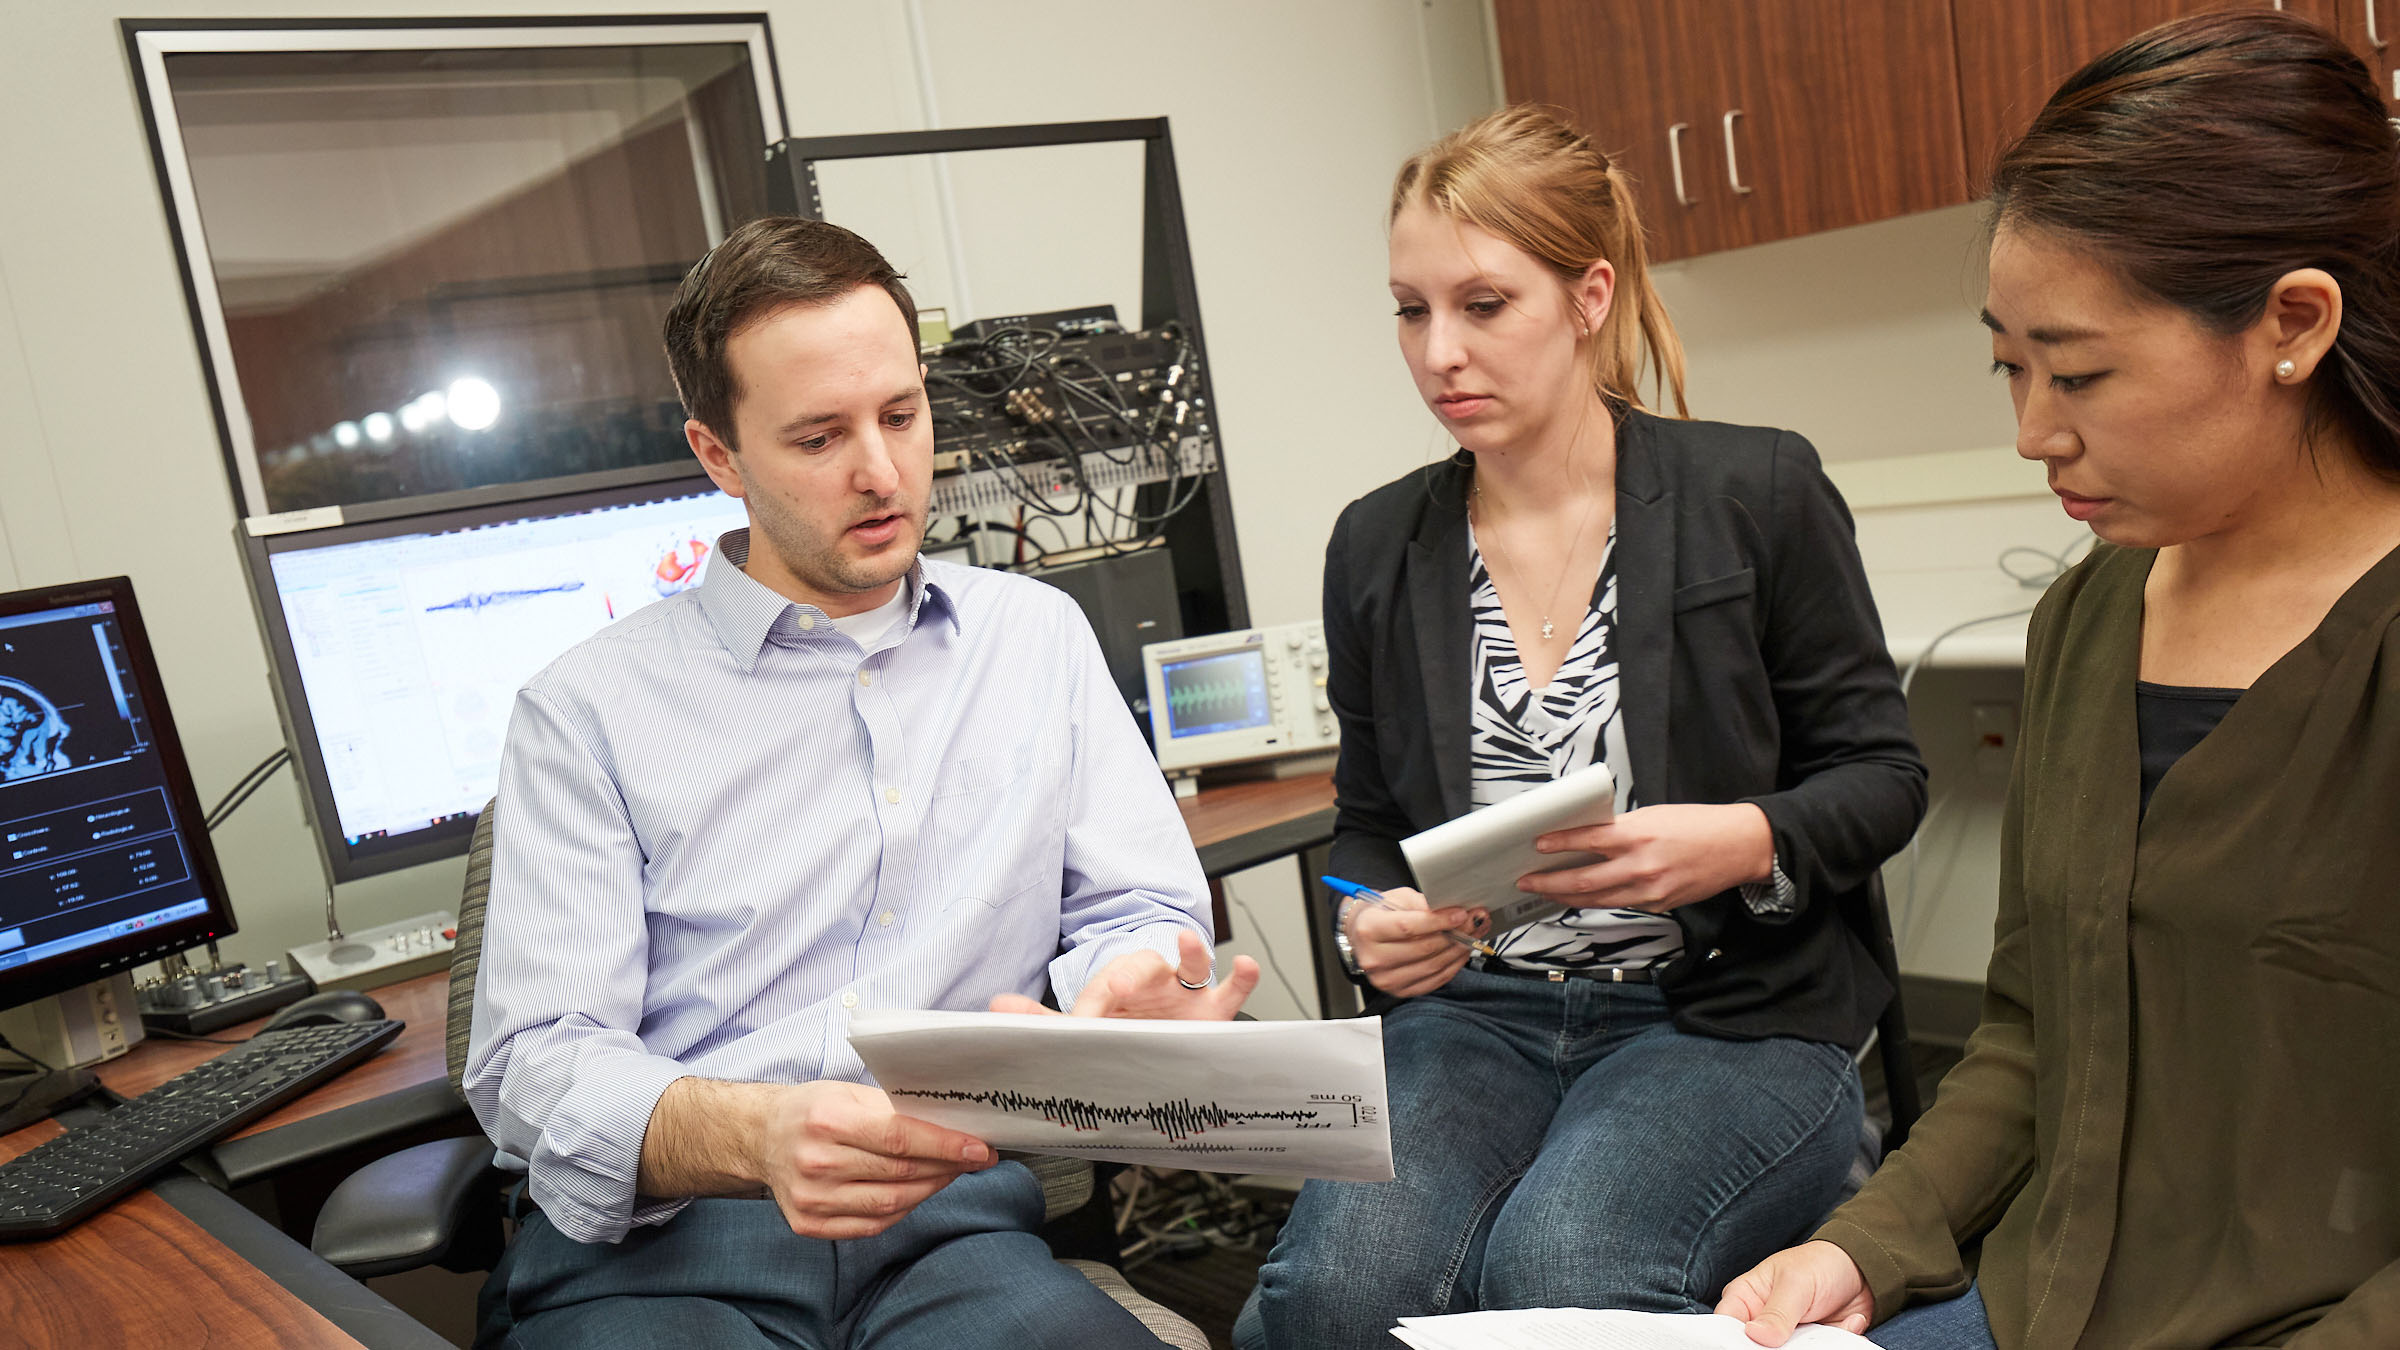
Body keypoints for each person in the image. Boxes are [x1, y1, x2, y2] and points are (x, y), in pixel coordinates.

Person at [1718, 13, 2400, 1349]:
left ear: (2295, 323)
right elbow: (2033, 1036)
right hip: (2045, 1299)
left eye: (2079, 371)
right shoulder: (2093, 612)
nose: (2035, 430)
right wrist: (1860, 1249)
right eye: (2011, 367)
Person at [461, 216, 1258, 1350]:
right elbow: (533, 1062)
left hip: (956, 1232)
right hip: (669, 1254)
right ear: (719, 456)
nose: (881, 472)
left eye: (900, 415)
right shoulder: (585, 710)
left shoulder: (1035, 639)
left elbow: (1134, 908)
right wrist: (756, 1136)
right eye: (819, 437)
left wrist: (1128, 986)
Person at [1242, 106, 1927, 1349]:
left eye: (1483, 304)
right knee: (1338, 1297)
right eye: (1410, 309)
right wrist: (1364, 918)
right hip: (1479, 1015)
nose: (1439, 350)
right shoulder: (1378, 545)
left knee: (1563, 1264)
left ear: (1587, 295)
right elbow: (1361, 832)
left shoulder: (1754, 492)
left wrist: (1742, 841)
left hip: (1726, 1011)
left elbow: (1885, 777)